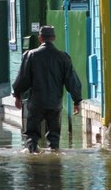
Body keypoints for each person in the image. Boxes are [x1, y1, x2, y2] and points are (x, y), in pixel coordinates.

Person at [12, 25, 82, 153]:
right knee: (54, 137)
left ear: (40, 38)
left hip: (36, 103)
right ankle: (54, 156)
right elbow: (72, 81)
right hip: (54, 103)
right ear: (53, 38)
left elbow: (23, 79)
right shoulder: (63, 57)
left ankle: (33, 157)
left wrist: (17, 95)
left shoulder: (30, 55)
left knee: (32, 135)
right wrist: (77, 100)